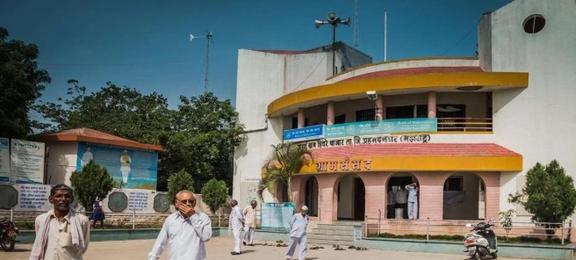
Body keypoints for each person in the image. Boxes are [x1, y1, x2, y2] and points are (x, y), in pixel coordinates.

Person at [29, 184, 91, 260]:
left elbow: (83, 246)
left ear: (71, 199)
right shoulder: (41, 220)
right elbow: (40, 241)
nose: (63, 199)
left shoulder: (82, 220)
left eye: (67, 196)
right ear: (51, 199)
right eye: (58, 196)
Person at [148, 190, 212, 260]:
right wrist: (152, 257)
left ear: (195, 203)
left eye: (191, 201)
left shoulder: (203, 218)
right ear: (176, 203)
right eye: (184, 201)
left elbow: (206, 237)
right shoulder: (171, 219)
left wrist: (192, 216)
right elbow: (160, 242)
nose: (188, 204)